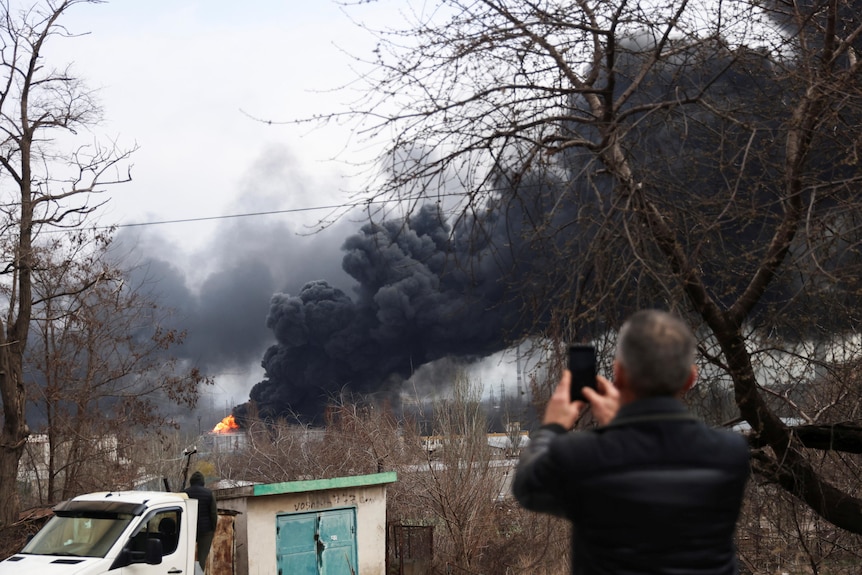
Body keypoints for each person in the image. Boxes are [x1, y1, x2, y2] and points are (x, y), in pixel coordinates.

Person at [513, 309, 750, 575]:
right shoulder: (731, 453)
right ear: (690, 379)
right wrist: (621, 426)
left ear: (619, 374)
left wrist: (553, 426)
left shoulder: (582, 456)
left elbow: (527, 487)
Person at [184, 471, 218, 572]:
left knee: (187, 555)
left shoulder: (185, 493)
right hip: (205, 530)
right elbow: (213, 513)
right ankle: (198, 573)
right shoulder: (209, 493)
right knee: (201, 558)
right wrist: (213, 528)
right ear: (202, 481)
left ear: (191, 481)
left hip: (189, 529)